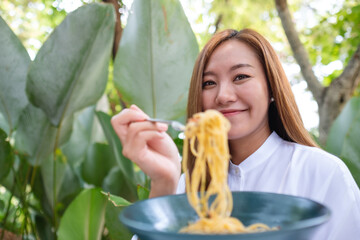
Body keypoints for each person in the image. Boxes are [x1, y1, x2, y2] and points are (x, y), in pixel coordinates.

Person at [111, 29, 360, 239]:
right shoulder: (186, 185)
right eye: (209, 83)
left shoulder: (323, 173)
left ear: (272, 89)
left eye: (241, 77)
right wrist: (164, 182)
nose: (223, 96)